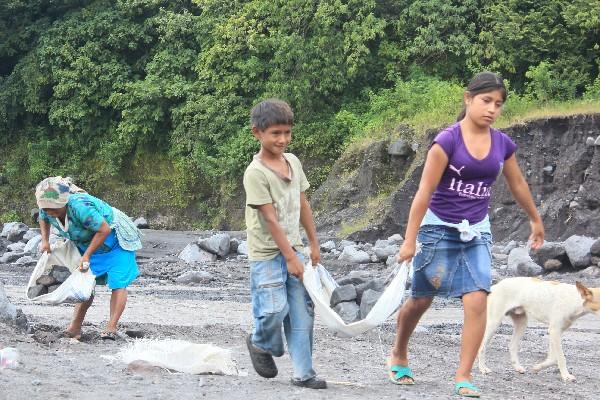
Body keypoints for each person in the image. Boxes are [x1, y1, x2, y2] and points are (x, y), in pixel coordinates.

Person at [387, 72, 544, 397]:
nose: (492, 109)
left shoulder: (503, 144)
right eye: (486, 101)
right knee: (421, 299)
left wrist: (535, 219)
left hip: (476, 232)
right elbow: (424, 191)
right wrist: (409, 239)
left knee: (477, 300)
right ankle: (399, 352)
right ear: (468, 98)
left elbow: (517, 184)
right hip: (437, 228)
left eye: (498, 104)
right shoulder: (447, 141)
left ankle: (464, 375)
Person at [243, 99, 326, 389]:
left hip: (296, 249)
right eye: (275, 133)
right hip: (267, 254)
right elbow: (270, 220)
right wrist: (290, 257)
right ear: (258, 133)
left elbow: (303, 203)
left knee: (302, 315)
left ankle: (304, 373)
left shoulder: (293, 162)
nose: (282, 139)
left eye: (287, 133)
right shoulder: (255, 173)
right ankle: (259, 341)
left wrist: (313, 243)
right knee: (274, 310)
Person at [36, 176, 142, 340]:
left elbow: (104, 229)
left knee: (118, 281)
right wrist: (45, 241)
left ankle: (111, 327)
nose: (51, 213)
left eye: (54, 210)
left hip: (115, 240)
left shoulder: (80, 206)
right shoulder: (47, 205)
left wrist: (86, 255)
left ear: (64, 203)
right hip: (87, 241)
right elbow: (43, 217)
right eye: (48, 210)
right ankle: (74, 328)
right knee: (84, 282)